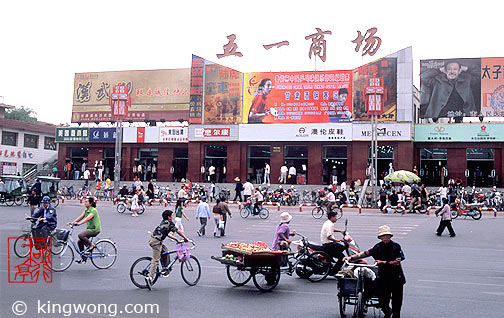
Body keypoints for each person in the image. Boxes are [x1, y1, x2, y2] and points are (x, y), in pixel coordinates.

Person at [344, 225, 406, 318]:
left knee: (397, 302)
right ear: (380, 237)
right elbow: (365, 253)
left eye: (387, 236)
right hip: (383, 277)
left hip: (396, 277)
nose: (385, 238)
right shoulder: (378, 247)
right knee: (383, 301)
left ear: (390, 236)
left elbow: (397, 261)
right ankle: (388, 312)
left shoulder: (396, 246)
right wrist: (351, 258)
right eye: (383, 236)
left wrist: (383, 262)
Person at [145, 210, 189, 290]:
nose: (173, 217)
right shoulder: (170, 223)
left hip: (155, 240)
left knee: (166, 252)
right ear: (169, 217)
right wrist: (185, 238)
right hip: (156, 242)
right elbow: (178, 231)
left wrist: (176, 239)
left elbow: (166, 233)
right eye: (172, 215)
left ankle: (166, 270)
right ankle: (150, 277)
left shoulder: (164, 222)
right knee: (155, 260)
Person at [67, 197, 101, 263]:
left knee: (81, 235)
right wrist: (73, 222)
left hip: (95, 230)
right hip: (90, 229)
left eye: (86, 202)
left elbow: (87, 218)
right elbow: (81, 217)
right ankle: (83, 258)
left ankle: (91, 245)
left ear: (90, 203)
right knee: (79, 242)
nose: (84, 203)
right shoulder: (86, 210)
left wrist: (79, 224)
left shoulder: (93, 210)